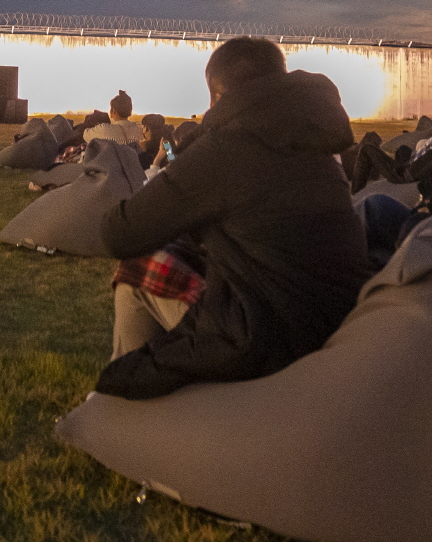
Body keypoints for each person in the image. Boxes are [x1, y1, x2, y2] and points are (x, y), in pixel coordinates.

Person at [96, 37, 367, 400]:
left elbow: (120, 233)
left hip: (266, 334)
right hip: (337, 317)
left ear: (218, 96)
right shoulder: (318, 141)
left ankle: (125, 409)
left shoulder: (226, 147)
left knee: (138, 266)